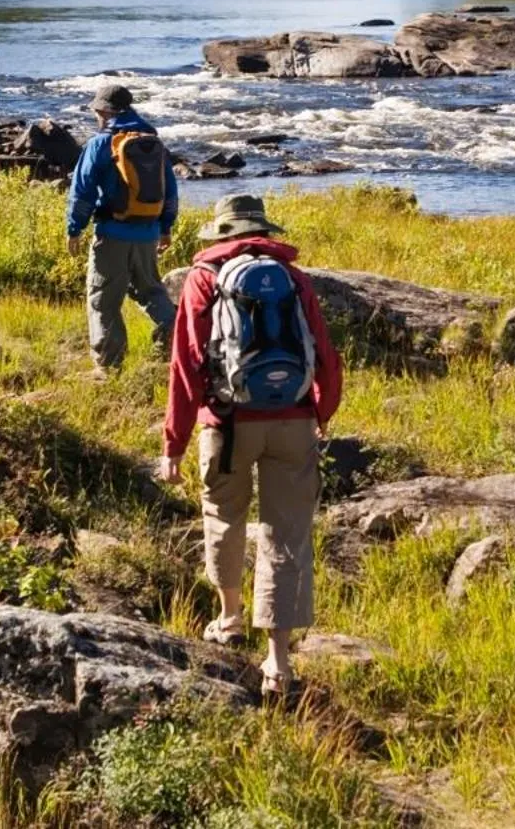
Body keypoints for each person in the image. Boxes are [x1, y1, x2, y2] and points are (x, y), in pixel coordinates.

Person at [156, 194, 342, 697]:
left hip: (228, 422)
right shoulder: (295, 279)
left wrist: (174, 442)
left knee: (223, 515)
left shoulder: (203, 278)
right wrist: (319, 413)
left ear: (221, 233)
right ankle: (278, 663)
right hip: (293, 421)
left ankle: (229, 616)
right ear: (263, 231)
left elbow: (186, 366)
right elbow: (325, 353)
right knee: (286, 534)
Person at [66, 83, 179, 372]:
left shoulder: (101, 144)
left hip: (112, 233)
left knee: (103, 300)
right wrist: (165, 227)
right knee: (150, 290)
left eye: (95, 110)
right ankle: (176, 335)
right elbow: (170, 189)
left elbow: (82, 191)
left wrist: (74, 229)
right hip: (148, 231)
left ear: (104, 111)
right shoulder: (152, 142)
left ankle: (109, 367)